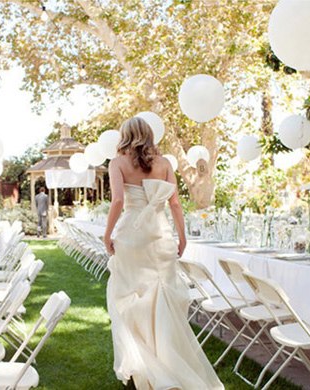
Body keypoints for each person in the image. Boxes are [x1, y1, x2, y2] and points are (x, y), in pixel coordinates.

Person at [104, 117, 224, 390]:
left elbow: (119, 201)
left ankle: (143, 366)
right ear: (148, 135)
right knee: (163, 299)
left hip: (132, 237)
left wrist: (107, 233)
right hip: (160, 236)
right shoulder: (165, 164)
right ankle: (166, 363)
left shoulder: (117, 163)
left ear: (125, 136)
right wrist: (182, 236)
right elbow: (176, 204)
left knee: (130, 298)